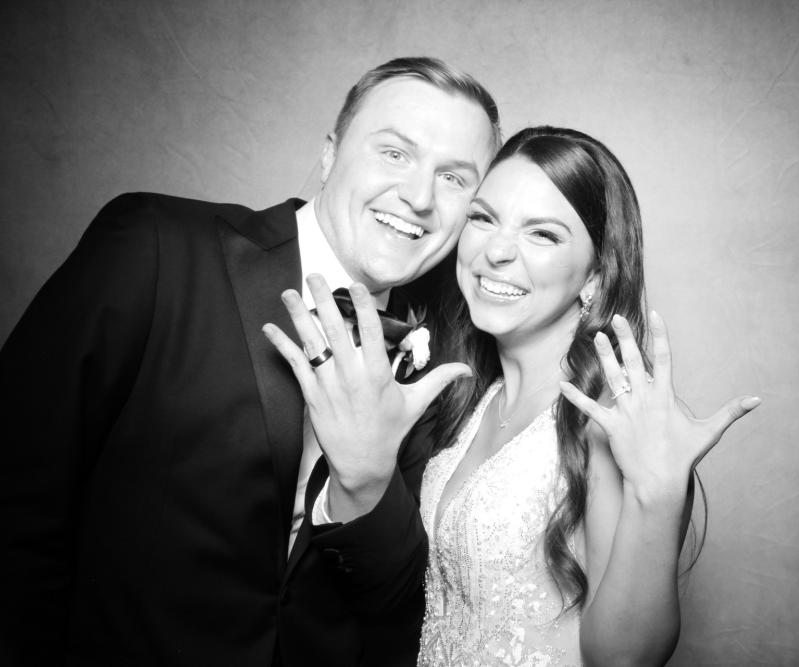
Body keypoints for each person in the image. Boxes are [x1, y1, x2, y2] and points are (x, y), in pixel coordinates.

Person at [0, 57, 500, 666]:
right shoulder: (156, 247)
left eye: (454, 179)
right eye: (394, 153)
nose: (419, 197)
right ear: (329, 154)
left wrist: (368, 481)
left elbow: (401, 604)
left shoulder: (449, 358)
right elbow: (17, 497)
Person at [266, 126, 761, 665]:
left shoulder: (613, 418)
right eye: (483, 218)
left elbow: (622, 659)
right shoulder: (467, 399)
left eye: (543, 234)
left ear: (596, 276)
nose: (496, 251)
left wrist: (657, 495)